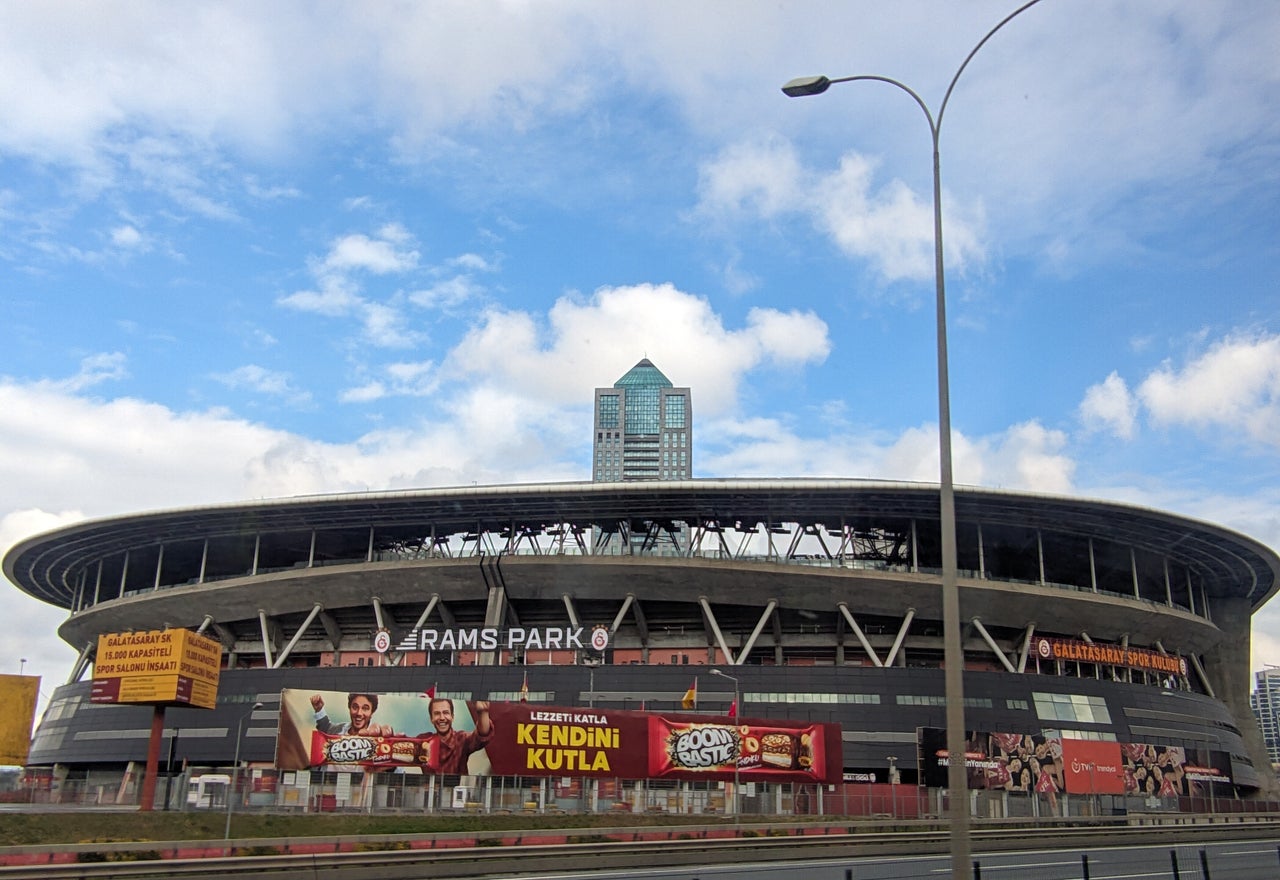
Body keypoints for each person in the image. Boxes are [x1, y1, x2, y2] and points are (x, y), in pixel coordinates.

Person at [420, 697, 493, 774]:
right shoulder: (424, 742)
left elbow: (482, 736)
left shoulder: (461, 739)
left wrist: (483, 712)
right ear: (431, 718)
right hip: (430, 786)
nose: (442, 718)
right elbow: (406, 745)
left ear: (452, 717)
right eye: (437, 713)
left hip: (458, 786)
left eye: (446, 713)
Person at [311, 692, 395, 736]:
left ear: (372, 712)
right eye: (355, 707)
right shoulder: (339, 729)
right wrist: (319, 709)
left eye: (365, 708)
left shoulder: (376, 738)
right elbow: (325, 728)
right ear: (349, 707)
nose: (359, 713)